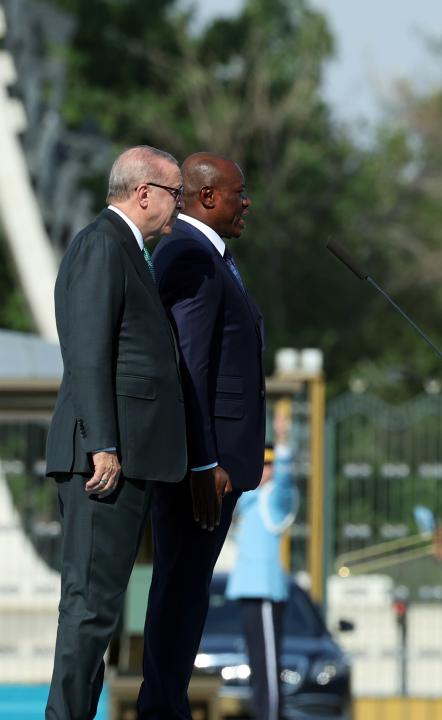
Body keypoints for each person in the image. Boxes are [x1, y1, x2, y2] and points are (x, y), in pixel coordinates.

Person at [44, 145, 188, 720]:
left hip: (129, 457)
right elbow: (87, 352)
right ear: (144, 193)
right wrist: (103, 443)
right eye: (176, 193)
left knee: (99, 611)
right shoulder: (101, 244)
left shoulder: (128, 249)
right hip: (104, 461)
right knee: (88, 608)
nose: (180, 206)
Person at [138, 152, 266, 717]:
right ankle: (162, 708)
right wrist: (202, 461)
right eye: (240, 193)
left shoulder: (211, 254)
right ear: (208, 196)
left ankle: (166, 705)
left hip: (214, 464)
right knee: (179, 592)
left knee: (187, 594)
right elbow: (189, 364)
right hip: (202, 469)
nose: (247, 203)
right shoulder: (188, 252)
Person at [226, 409, 299, 720]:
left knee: (268, 665)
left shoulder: (275, 498)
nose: (263, 470)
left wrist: (283, 441)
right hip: (248, 589)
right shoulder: (249, 498)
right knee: (257, 662)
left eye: (268, 465)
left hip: (265, 590)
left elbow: (284, 482)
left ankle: (269, 715)